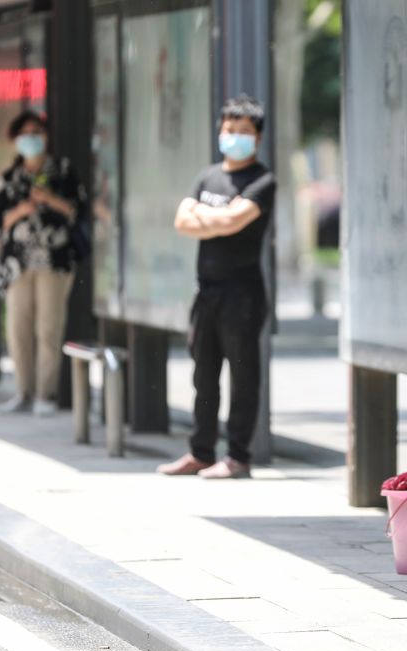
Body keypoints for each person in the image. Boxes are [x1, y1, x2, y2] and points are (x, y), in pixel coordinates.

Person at [157, 95, 276, 480]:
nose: (234, 137)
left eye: (243, 131)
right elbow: (181, 220)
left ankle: (238, 456)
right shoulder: (208, 176)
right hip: (205, 292)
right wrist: (219, 217)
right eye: (229, 130)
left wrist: (206, 217)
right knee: (203, 374)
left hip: (243, 294)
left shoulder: (262, 180)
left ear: (257, 137)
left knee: (243, 376)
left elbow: (231, 221)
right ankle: (201, 451)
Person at [0, 111, 86, 418]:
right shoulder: (8, 178)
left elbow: (78, 211)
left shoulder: (63, 171)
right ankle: (23, 390)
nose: (31, 138)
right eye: (25, 133)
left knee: (49, 327)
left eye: (37, 132)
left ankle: (46, 393)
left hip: (54, 262)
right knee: (17, 327)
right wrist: (21, 209)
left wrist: (50, 199)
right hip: (18, 264)